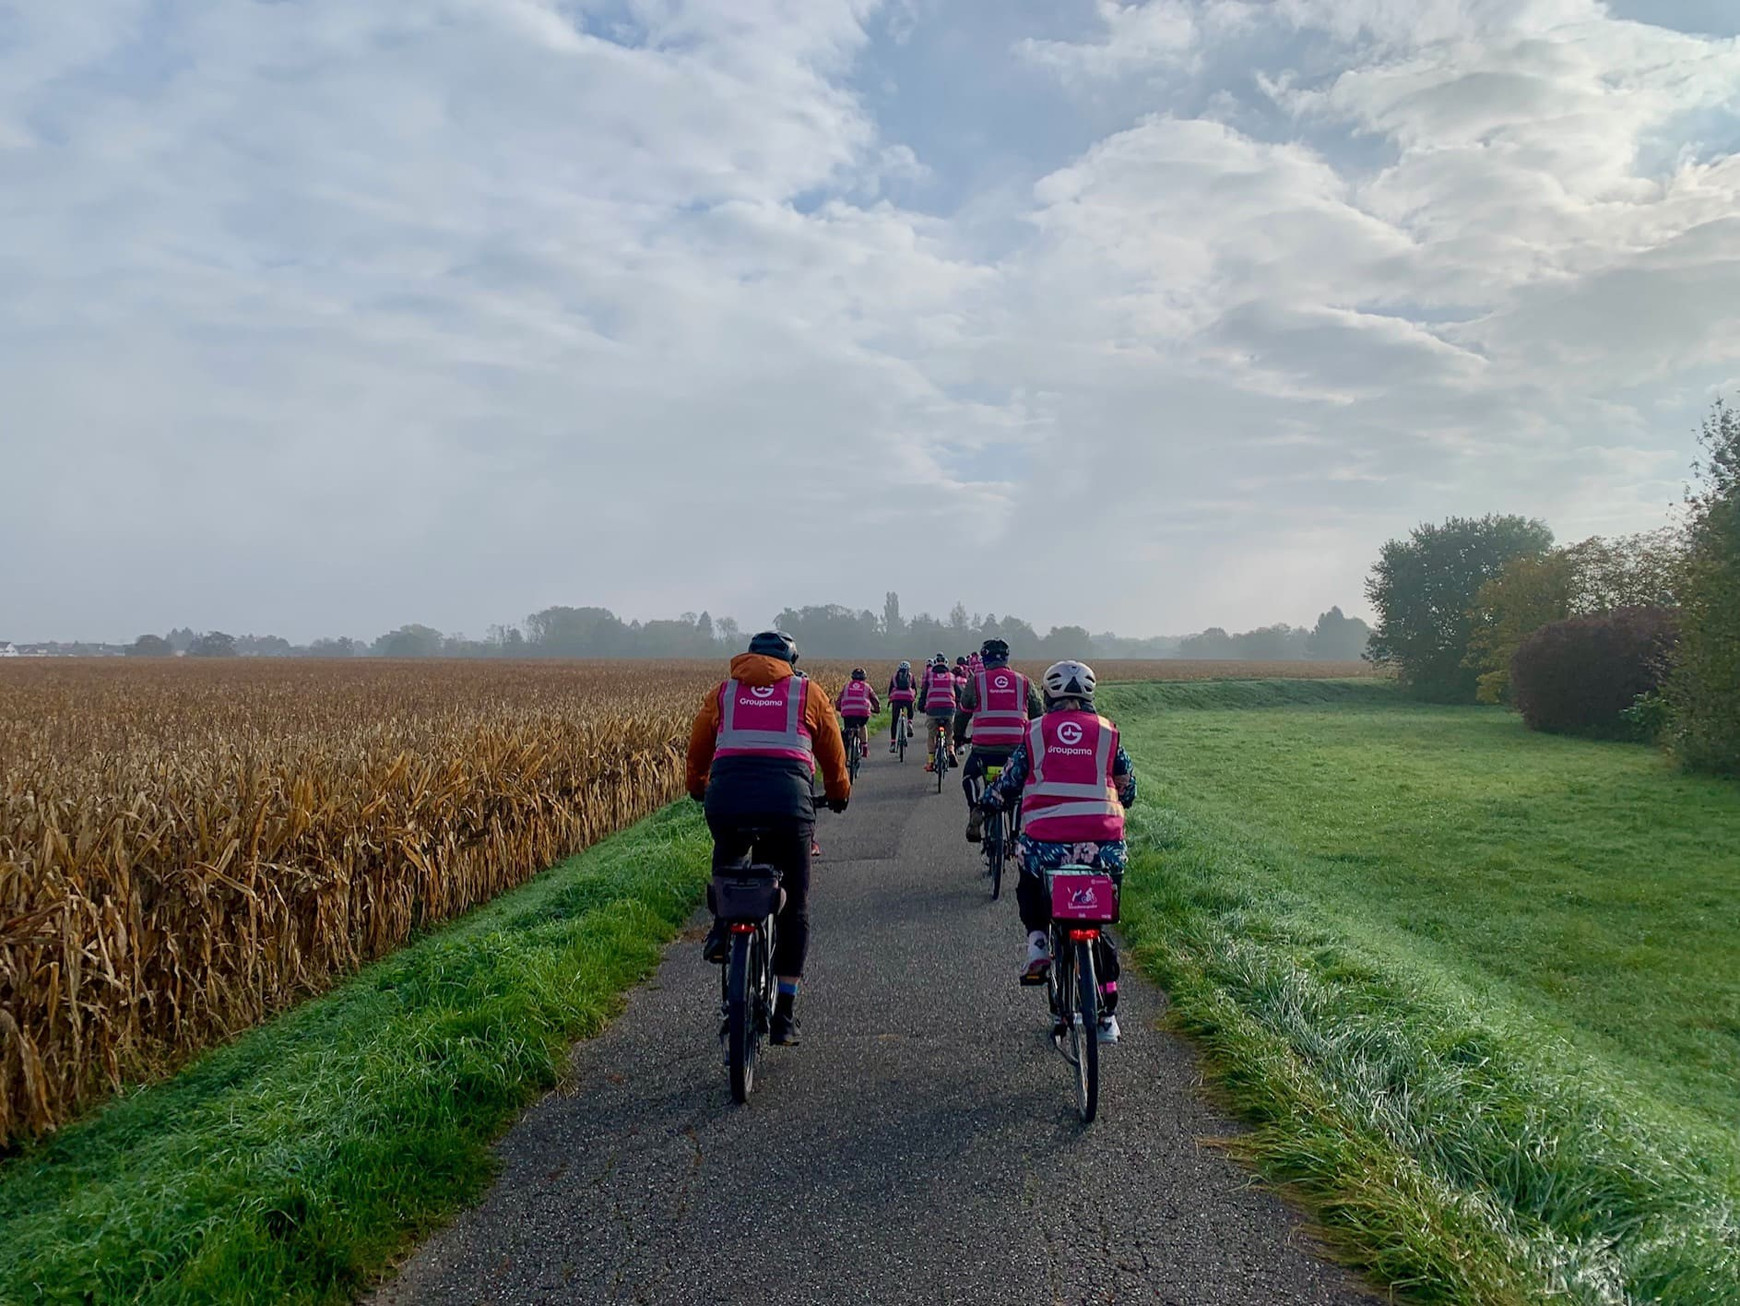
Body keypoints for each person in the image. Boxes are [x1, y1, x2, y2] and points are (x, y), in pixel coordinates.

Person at [687, 630, 850, 1046]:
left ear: (749, 658)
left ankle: (724, 929)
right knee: (795, 904)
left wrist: (698, 785)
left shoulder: (723, 692)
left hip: (727, 799)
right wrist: (838, 793)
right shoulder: (807, 692)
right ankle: (785, 1015)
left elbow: (699, 746)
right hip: (788, 806)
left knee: (728, 854)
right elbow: (832, 749)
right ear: (790, 662)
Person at [976, 659, 1136, 1044]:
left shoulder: (1035, 732)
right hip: (1103, 849)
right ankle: (1108, 1012)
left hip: (1045, 846)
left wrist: (990, 802)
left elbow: (1010, 781)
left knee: (1028, 883)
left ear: (1048, 696)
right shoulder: (1107, 733)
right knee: (1097, 925)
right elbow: (1127, 788)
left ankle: (1038, 944)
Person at [955, 639, 1043, 840]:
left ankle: (975, 810)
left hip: (984, 748)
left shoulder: (976, 680)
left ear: (984, 658)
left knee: (969, 775)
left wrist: (959, 737)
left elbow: (963, 713)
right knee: (1021, 784)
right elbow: (1039, 714)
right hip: (1015, 747)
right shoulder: (1024, 681)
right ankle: (1016, 833)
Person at [918, 652, 958, 769]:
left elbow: (924, 693)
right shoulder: (951, 676)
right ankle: (951, 751)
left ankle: (930, 762)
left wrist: (921, 706)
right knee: (950, 733)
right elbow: (959, 693)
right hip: (949, 709)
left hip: (932, 709)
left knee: (931, 735)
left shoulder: (930, 676)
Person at [836, 668, 879, 759]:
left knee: (847, 729)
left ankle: (844, 753)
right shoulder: (867, 687)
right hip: (862, 712)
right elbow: (875, 699)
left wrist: (840, 709)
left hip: (847, 712)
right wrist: (876, 709)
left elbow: (839, 700)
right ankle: (865, 748)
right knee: (862, 726)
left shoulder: (846, 686)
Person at [886, 660, 918, 751]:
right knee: (910, 708)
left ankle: (892, 743)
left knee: (894, 721)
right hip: (908, 697)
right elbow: (914, 689)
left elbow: (890, 689)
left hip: (896, 698)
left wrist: (890, 698)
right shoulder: (911, 676)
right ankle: (910, 722)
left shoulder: (894, 676)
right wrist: (914, 698)